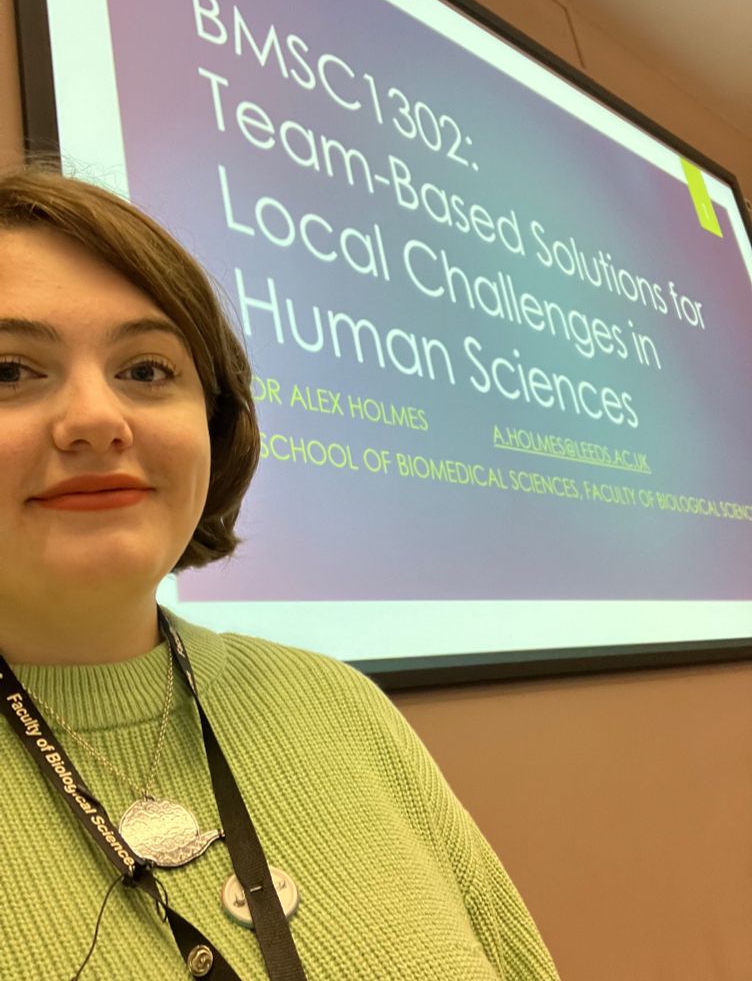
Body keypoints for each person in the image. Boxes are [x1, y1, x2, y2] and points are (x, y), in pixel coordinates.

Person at [0, 163, 560, 981]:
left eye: (148, 370)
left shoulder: (338, 704)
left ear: (214, 420)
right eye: (9, 371)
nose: (95, 419)